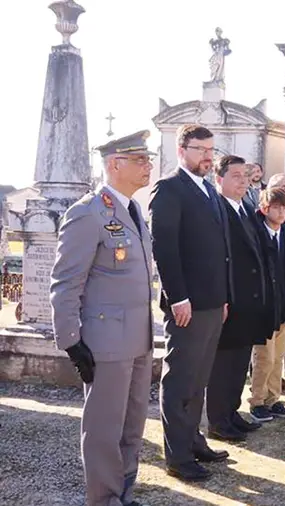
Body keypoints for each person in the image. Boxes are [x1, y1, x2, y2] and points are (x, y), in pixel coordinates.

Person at [49, 130, 156, 506]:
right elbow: (65, 283)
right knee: (103, 428)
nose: (148, 165)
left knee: (132, 424)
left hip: (139, 339)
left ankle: (123, 492)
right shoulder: (87, 212)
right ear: (115, 164)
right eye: (140, 159)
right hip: (106, 342)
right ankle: (104, 498)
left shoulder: (133, 210)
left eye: (148, 158)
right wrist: (71, 341)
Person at [149, 124, 232, 482]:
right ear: (181, 150)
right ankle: (177, 457)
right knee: (181, 379)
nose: (208, 156)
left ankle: (194, 440)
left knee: (200, 378)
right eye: (200, 149)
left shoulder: (209, 190)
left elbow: (220, 251)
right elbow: (164, 248)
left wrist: (224, 297)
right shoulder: (169, 189)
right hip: (187, 305)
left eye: (211, 150)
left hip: (213, 303)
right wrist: (177, 297)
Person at [206, 155, 267, 442]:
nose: (243, 181)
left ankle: (232, 412)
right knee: (223, 364)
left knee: (240, 360)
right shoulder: (216, 208)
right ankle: (218, 420)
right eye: (235, 176)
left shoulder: (246, 207)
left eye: (245, 175)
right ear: (219, 179)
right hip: (229, 298)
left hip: (248, 299)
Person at [248, 186, 285, 422]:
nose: (281, 213)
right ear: (265, 208)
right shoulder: (256, 233)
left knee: (279, 355)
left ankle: (273, 398)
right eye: (276, 207)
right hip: (264, 305)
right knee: (264, 357)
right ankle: (257, 401)